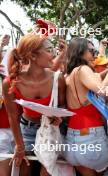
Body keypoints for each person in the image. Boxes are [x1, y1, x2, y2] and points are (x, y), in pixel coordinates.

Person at [3, 34, 66, 176]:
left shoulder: (58, 79)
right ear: (32, 55)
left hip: (51, 130)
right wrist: (19, 146)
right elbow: (12, 116)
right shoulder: (10, 82)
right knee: (25, 170)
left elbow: (63, 106)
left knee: (47, 172)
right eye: (49, 50)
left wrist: (59, 117)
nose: (54, 54)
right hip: (26, 130)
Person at [63, 37, 108, 175]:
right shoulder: (83, 69)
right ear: (79, 52)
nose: (95, 55)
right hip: (91, 140)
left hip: (72, 141)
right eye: (91, 51)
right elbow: (105, 90)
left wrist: (106, 71)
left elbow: (93, 80)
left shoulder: (70, 74)